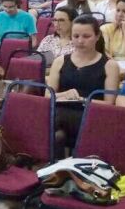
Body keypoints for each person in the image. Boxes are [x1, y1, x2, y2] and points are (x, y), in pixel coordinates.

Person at [46, 15, 119, 149]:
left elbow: (109, 103)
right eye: (76, 36)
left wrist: (81, 99)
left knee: (53, 120)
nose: (80, 41)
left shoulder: (110, 65)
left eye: (86, 36)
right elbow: (48, 95)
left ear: (97, 37)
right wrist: (65, 95)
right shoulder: (60, 61)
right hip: (60, 112)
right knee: (56, 130)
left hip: (90, 114)